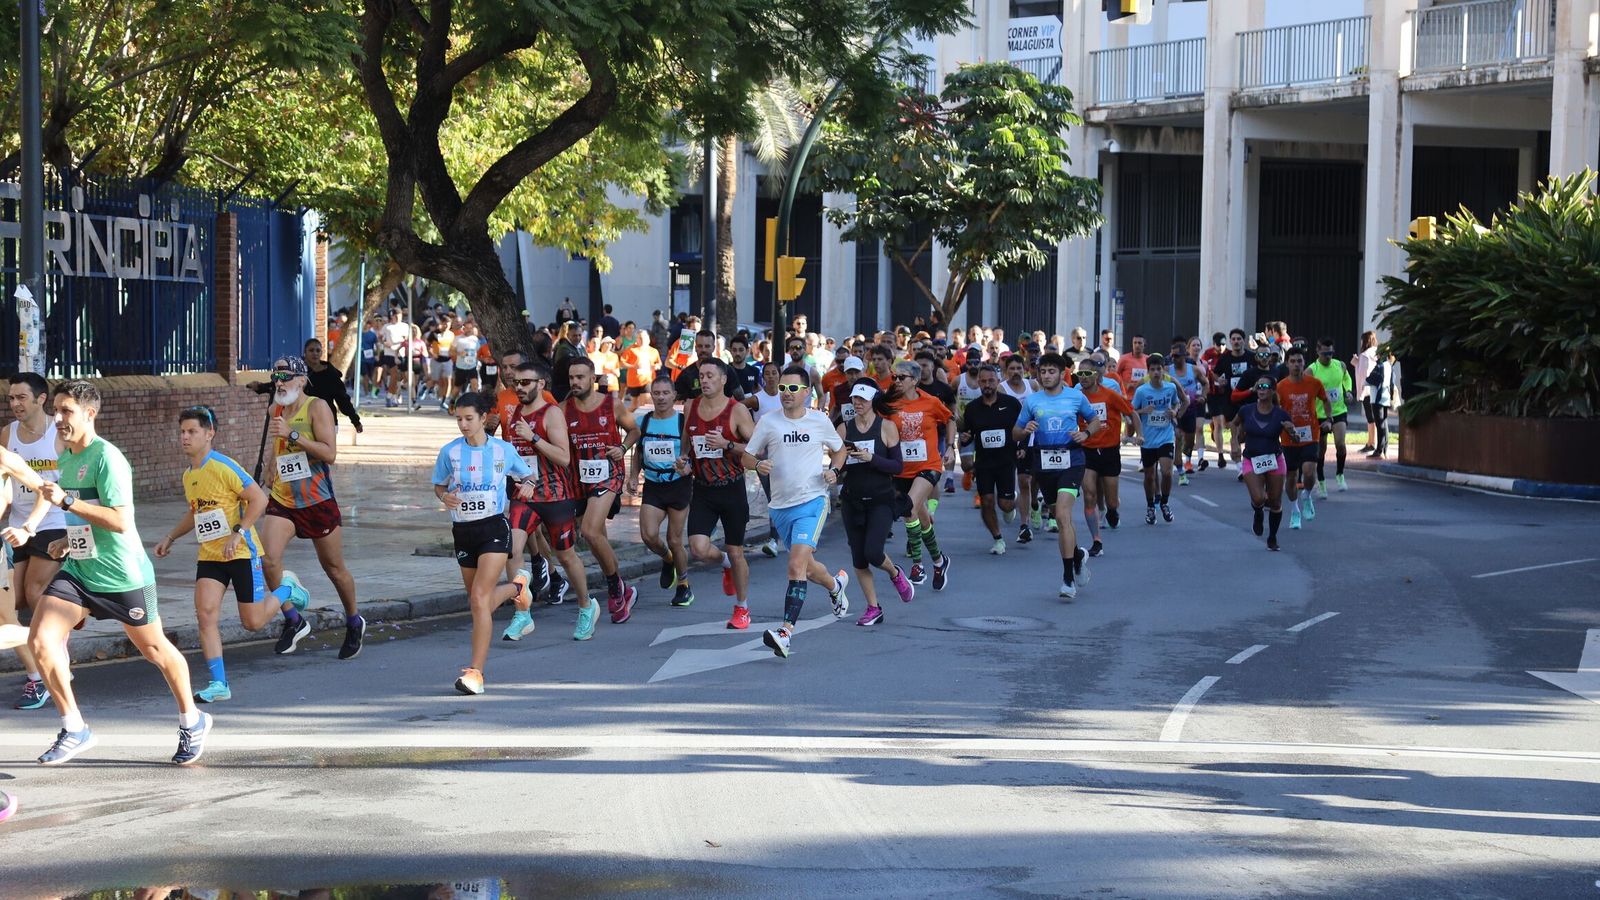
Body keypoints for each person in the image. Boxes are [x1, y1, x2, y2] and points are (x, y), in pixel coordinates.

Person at [27, 380, 213, 766]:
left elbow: (121, 520)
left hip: (123, 577)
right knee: (41, 641)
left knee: (155, 650)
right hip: (80, 570)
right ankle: (74, 727)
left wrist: (67, 501)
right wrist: (65, 540)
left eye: (67, 411)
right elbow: (84, 517)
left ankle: (192, 720)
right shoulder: (66, 457)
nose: (58, 418)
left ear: (89, 414)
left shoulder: (107, 458)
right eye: (56, 410)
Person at [151, 407, 273, 704]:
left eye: (191, 431)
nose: (185, 437)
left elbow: (259, 498)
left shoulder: (223, 466)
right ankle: (219, 683)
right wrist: (170, 536)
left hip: (242, 552)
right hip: (211, 555)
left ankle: (288, 589)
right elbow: (196, 513)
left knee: (253, 623)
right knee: (205, 616)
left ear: (209, 433)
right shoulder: (189, 475)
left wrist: (239, 533)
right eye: (182, 432)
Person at [258, 355, 364, 660]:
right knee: (268, 561)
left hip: (316, 500)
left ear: (302, 380)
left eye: (286, 377)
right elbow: (278, 445)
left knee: (333, 568)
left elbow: (329, 454)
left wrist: (293, 434)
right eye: (276, 378)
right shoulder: (275, 408)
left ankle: (354, 620)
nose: (280, 383)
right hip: (284, 499)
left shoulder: (317, 407)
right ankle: (293, 619)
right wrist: (270, 464)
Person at [742, 367, 852, 658]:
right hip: (780, 507)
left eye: (793, 389)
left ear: (807, 392)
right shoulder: (768, 422)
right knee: (807, 566)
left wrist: (835, 471)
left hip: (812, 501)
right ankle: (835, 584)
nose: (786, 394)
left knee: (794, 566)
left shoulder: (819, 420)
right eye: (782, 389)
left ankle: (785, 632)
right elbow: (746, 455)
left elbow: (840, 450)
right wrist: (756, 465)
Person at [431, 392, 536, 695]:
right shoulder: (449, 452)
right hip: (463, 531)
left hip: (493, 528)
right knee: (479, 603)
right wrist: (444, 496)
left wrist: (527, 487)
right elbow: (439, 485)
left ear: (484, 418)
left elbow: (528, 476)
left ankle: (475, 674)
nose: (463, 425)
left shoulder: (502, 450)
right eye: (458, 419)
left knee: (479, 599)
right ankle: (518, 588)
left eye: (468, 418)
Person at [503, 362, 598, 639]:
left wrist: (532, 437)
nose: (518, 388)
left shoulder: (551, 413)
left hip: (556, 496)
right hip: (526, 494)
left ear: (541, 384)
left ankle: (585, 606)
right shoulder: (517, 412)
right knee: (512, 549)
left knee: (566, 556)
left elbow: (563, 458)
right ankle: (522, 613)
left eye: (525, 382)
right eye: (516, 383)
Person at [1012, 353, 1102, 600]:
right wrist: (1024, 430)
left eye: (1052, 371)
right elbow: (1015, 433)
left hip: (1072, 460)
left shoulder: (1075, 396)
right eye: (1043, 372)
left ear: (1062, 374)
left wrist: (1086, 434)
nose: (1047, 376)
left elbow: (1095, 421)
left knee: (1063, 514)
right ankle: (1078, 556)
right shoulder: (1032, 401)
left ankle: (1067, 578)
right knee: (1062, 519)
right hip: (1043, 462)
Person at [1, 373, 66, 710]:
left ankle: (45, 664)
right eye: (11, 398)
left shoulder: (59, 432)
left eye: (21, 398)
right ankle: (47, 656)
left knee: (34, 592)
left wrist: (31, 524)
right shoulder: (8, 436)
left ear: (41, 399)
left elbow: (49, 488)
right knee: (17, 605)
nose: (15, 404)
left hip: (53, 523)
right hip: (16, 528)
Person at [678, 359, 757, 629]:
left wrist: (728, 444)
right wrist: (683, 463)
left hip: (732, 488)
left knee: (737, 552)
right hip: (703, 489)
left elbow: (755, 448)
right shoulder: (692, 406)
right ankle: (723, 563)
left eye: (711, 375)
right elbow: (686, 449)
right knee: (699, 549)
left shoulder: (737, 411)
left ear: (724, 379)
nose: (706, 380)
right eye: (702, 376)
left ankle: (742, 608)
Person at [564, 358, 641, 624]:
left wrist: (622, 448)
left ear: (592, 378)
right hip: (579, 478)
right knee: (596, 538)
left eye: (580, 377)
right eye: (572, 377)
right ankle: (624, 587)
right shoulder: (564, 409)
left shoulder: (612, 404)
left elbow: (633, 430)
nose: (575, 382)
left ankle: (614, 588)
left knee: (589, 530)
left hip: (609, 474)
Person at [837, 380, 915, 626]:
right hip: (853, 500)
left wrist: (871, 458)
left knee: (873, 552)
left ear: (873, 401)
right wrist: (833, 471)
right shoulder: (843, 429)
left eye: (862, 399)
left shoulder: (887, 427)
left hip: (881, 499)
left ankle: (895, 573)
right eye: (854, 399)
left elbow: (897, 466)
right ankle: (873, 608)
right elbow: (837, 463)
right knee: (859, 559)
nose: (857, 403)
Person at [629, 376, 694, 607]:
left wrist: (687, 467)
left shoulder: (682, 422)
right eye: (656, 393)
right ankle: (668, 559)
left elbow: (692, 454)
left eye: (666, 393)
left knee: (674, 539)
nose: (661, 397)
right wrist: (633, 476)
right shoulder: (643, 421)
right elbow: (638, 451)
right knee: (648, 535)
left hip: (678, 484)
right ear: (651, 395)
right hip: (654, 485)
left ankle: (684, 586)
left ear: (674, 395)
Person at [1074, 358, 1141, 558]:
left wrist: (1139, 434)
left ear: (1096, 375)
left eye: (1087, 374)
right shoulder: (1076, 398)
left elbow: (1132, 413)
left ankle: (1112, 511)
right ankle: (1096, 540)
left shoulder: (1110, 395)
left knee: (1112, 501)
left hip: (1109, 451)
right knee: (1089, 495)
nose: (1083, 378)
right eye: (1080, 374)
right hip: (1087, 450)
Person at [957, 364, 1023, 555]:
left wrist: (1022, 448)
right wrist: (965, 439)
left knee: (1005, 504)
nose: (987, 384)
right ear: (979, 383)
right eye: (984, 381)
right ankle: (998, 538)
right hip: (984, 463)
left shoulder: (1011, 404)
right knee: (986, 500)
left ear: (998, 381)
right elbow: (968, 434)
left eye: (991, 381)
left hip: (1006, 461)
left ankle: (1013, 502)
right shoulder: (972, 409)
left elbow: (1022, 429)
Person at [1232, 376, 1296, 550]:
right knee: (1259, 498)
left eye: (1266, 386)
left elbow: (1294, 438)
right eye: (1258, 386)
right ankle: (1258, 512)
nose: (1261, 389)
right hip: (1251, 459)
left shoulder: (1281, 413)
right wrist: (1235, 443)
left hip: (1274, 459)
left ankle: (1272, 538)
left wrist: (1292, 431)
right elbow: (1234, 424)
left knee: (1275, 501)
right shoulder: (1246, 410)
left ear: (1273, 390)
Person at [1275, 348, 1332, 530]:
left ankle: (1307, 494)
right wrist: (1280, 426)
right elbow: (1276, 410)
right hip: (1288, 437)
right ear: (1287, 364)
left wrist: (1329, 420)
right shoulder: (1281, 386)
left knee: (1308, 471)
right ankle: (1294, 509)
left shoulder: (1314, 383)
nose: (1296, 365)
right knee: (1291, 477)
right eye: (1293, 361)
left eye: (1299, 361)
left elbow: (1325, 400)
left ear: (1304, 363)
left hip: (1310, 433)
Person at [1132, 354, 1187, 524]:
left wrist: (1174, 411)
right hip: (1148, 439)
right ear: (1148, 372)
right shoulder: (1142, 391)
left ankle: (1164, 502)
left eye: (1159, 369)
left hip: (1165, 436)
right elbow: (1131, 412)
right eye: (1153, 369)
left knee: (1167, 472)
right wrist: (1143, 411)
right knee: (1149, 476)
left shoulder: (1170, 388)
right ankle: (1150, 506)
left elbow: (1177, 403)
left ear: (1164, 370)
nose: (1156, 372)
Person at [1309, 337, 1354, 494]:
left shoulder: (1340, 365)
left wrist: (1347, 390)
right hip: (1319, 414)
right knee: (1321, 450)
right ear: (1318, 351)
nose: (1328, 356)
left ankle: (1340, 474)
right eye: (1325, 353)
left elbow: (1347, 379)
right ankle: (1321, 482)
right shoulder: (1312, 370)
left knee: (1340, 444)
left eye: (1331, 353)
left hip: (1338, 411)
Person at [302, 339, 363, 432]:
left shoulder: (331, 373)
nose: (315, 353)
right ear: (305, 352)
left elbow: (342, 398)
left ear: (321, 352)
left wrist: (355, 421)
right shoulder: (297, 372)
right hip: (303, 420)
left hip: (327, 419)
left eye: (318, 350)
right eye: (311, 350)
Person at [1213, 329, 1253, 468]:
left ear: (1244, 341)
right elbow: (1215, 373)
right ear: (1230, 341)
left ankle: (1238, 446)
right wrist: (1220, 381)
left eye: (1239, 339)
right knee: (1234, 431)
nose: (1236, 341)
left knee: (1244, 433)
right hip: (1230, 399)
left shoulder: (1251, 356)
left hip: (1248, 399)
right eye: (1234, 339)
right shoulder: (1225, 358)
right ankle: (1239, 467)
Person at [1169, 339, 1204, 483]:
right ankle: (1180, 471)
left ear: (1185, 356)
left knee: (1189, 441)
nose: (1174, 359)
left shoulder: (1194, 369)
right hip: (1174, 410)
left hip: (1190, 409)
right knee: (1177, 437)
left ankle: (1186, 454)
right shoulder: (1167, 370)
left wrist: (1203, 395)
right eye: (1172, 356)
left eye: (1177, 356)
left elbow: (1206, 383)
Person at [1365, 351, 1401, 458]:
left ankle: (1379, 450)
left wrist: (1366, 380)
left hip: (1377, 397)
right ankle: (1385, 449)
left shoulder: (1380, 366)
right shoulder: (1389, 365)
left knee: (1379, 423)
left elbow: (1372, 379)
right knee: (1384, 423)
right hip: (1385, 397)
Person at [1354, 330, 1380, 452]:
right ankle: (1372, 442)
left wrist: (1356, 363)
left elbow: (1362, 374)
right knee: (1375, 416)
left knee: (1370, 417)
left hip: (1367, 389)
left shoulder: (1364, 355)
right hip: (1376, 389)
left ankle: (1371, 442)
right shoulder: (1377, 352)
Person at [450, 321, 484, 406]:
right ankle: (452, 402)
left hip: (472, 366)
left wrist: (478, 360)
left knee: (475, 385)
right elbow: (451, 351)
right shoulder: (458, 338)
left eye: (470, 328)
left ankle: (475, 404)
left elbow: (478, 351)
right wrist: (459, 353)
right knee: (457, 387)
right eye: (467, 328)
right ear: (463, 328)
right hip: (461, 367)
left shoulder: (475, 339)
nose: (468, 330)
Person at [621, 331, 660, 401]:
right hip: (634, 381)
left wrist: (656, 366)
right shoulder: (631, 349)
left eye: (644, 338)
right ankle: (624, 412)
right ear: (636, 339)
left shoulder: (654, 351)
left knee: (646, 403)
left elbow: (659, 363)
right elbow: (622, 363)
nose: (642, 340)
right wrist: (633, 366)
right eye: (640, 338)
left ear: (648, 339)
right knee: (634, 406)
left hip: (648, 380)